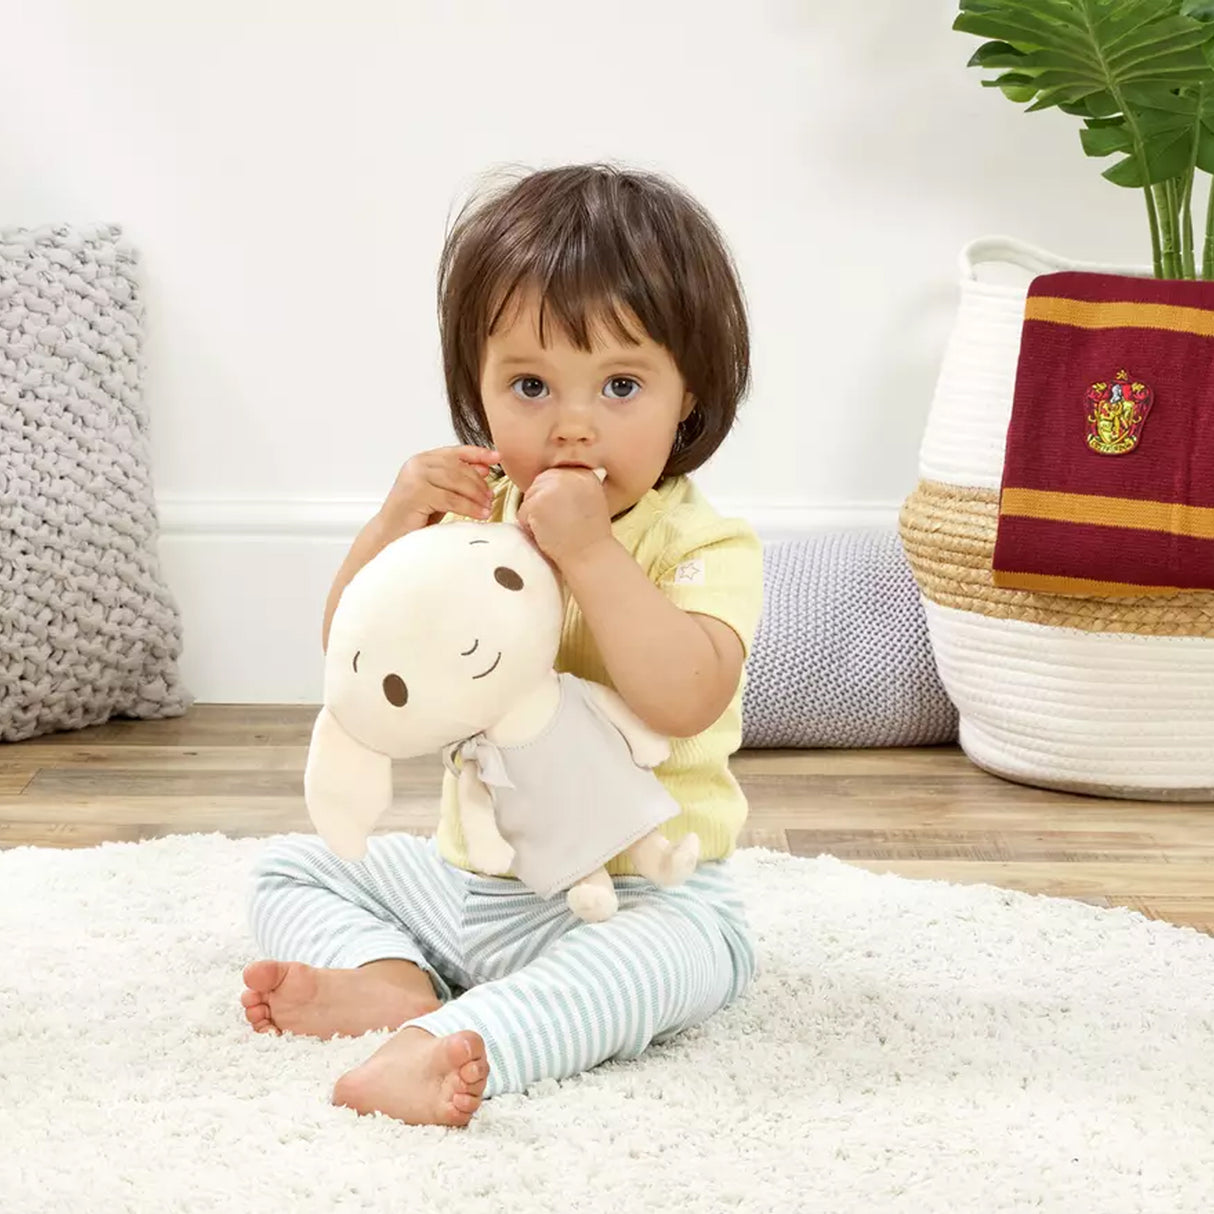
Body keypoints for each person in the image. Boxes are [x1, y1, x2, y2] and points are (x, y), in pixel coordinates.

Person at [240, 162, 764, 1126]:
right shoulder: (473, 520)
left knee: (672, 960)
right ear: (477, 394)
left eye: (619, 384)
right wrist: (394, 520)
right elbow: (356, 667)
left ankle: (451, 1043)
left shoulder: (703, 545)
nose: (572, 425)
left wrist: (593, 554)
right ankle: (394, 978)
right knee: (291, 865)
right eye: (530, 384)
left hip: (637, 890)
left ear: (689, 396)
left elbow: (685, 696)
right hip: (466, 881)